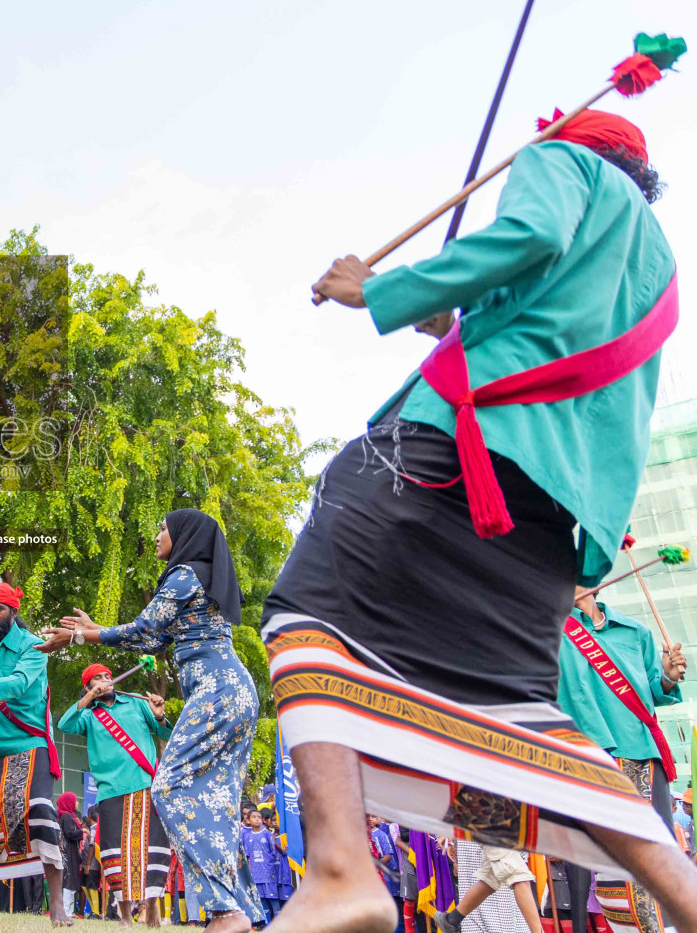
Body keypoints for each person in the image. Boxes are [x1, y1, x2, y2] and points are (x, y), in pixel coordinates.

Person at [273, 108, 694, 933]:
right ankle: (686, 896)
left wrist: (383, 289)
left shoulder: (558, 161)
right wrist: (446, 317)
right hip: (548, 508)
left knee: (308, 609)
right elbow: (534, 317)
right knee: (523, 710)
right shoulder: (651, 257)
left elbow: (530, 236)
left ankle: (339, 867)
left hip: (451, 457)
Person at [45, 509, 263, 933]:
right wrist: (98, 629)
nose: (158, 532)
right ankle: (243, 914)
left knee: (168, 786)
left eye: (162, 526)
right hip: (233, 692)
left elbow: (145, 624)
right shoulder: (198, 578)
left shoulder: (185, 572)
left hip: (218, 691)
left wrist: (79, 636)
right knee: (216, 803)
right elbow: (151, 637)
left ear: (183, 534)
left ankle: (226, 910)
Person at [556, 583, 686, 933]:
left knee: (657, 846)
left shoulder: (635, 632)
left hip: (639, 746)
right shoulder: (551, 630)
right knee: (584, 849)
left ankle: (663, 924)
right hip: (587, 750)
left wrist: (670, 680)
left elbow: (655, 688)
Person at [0, 581, 70, 925]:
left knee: (39, 814)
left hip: (29, 743)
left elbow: (19, 684)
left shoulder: (33, 645)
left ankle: (56, 907)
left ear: (13, 612)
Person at [58, 663, 174, 926]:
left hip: (145, 785)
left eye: (107, 677)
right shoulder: (88, 715)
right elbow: (65, 724)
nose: (104, 681)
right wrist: (88, 699)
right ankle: (124, 914)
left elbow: (166, 732)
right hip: (110, 791)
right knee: (114, 852)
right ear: (88, 687)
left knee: (150, 849)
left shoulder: (137, 704)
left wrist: (158, 714)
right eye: (96, 679)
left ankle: (152, 907)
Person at [433, 844, 544, 933]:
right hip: (492, 822)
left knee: (491, 878)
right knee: (519, 877)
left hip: (506, 824)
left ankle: (452, 920)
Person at [242, 810, 282, 923]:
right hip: (256, 874)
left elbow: (272, 851)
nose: (257, 819)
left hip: (268, 872)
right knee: (262, 899)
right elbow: (247, 855)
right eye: (254, 817)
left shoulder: (267, 834)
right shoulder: (247, 836)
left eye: (259, 817)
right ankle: (266, 924)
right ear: (248, 820)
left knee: (273, 898)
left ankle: (278, 924)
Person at [366, 817, 403, 933]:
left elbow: (388, 854)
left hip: (385, 877)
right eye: (368, 817)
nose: (370, 820)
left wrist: (375, 866)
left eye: (373, 817)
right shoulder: (360, 836)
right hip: (369, 880)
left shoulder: (381, 834)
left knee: (394, 904)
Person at [58, 793, 86, 921]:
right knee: (69, 881)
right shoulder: (67, 816)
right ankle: (67, 911)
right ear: (68, 802)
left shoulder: (67, 815)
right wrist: (83, 831)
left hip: (69, 851)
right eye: (75, 801)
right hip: (68, 852)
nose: (77, 803)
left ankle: (69, 910)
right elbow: (70, 833)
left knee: (71, 881)